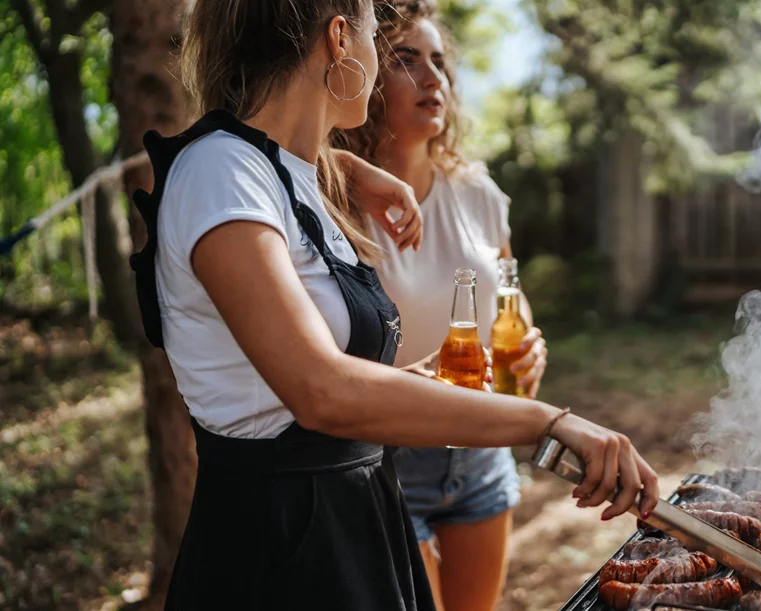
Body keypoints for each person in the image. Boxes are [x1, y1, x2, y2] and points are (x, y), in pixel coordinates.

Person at [127, 0, 659, 609]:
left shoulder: (286, 176)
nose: (381, 63)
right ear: (339, 40)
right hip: (279, 546)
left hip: (356, 518)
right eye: (380, 39)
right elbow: (320, 390)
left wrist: (424, 379)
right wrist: (548, 421)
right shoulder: (221, 172)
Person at [335, 3, 543, 609]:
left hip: (482, 451)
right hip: (387, 459)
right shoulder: (330, 200)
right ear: (368, 76)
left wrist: (528, 342)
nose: (434, 78)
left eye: (440, 63)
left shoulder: (477, 190)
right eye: (406, 60)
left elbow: (510, 290)